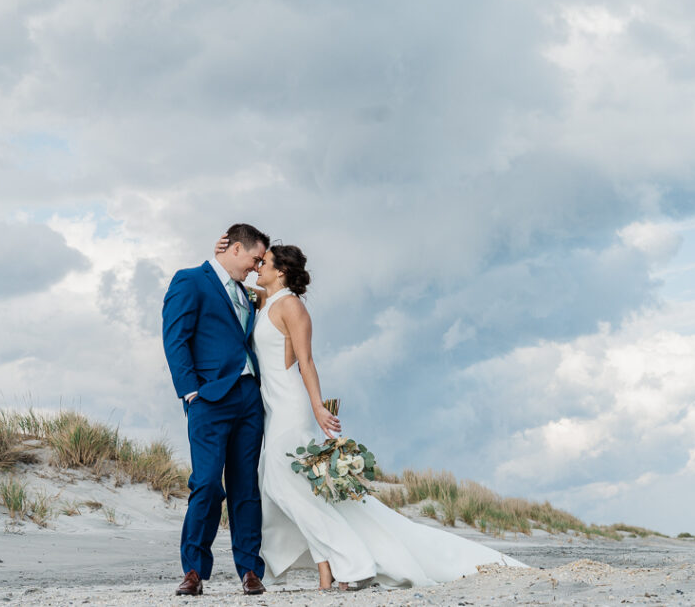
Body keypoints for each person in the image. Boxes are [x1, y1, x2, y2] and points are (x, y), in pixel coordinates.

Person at [216, 239, 526, 590]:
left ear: (282, 271)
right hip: (272, 410)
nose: (258, 266)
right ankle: (327, 569)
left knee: (281, 484)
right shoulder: (265, 301)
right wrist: (220, 253)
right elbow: (231, 280)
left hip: (290, 406)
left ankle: (355, 565)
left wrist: (318, 407)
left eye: (265, 262)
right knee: (293, 490)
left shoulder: (292, 307)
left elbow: (307, 361)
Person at [161, 223, 271, 597]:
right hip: (209, 399)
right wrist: (190, 392)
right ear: (236, 249)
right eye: (255, 259)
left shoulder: (246, 292)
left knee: (246, 486)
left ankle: (250, 571)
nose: (257, 267)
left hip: (248, 398)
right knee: (206, 483)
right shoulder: (190, 280)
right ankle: (193, 570)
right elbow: (175, 337)